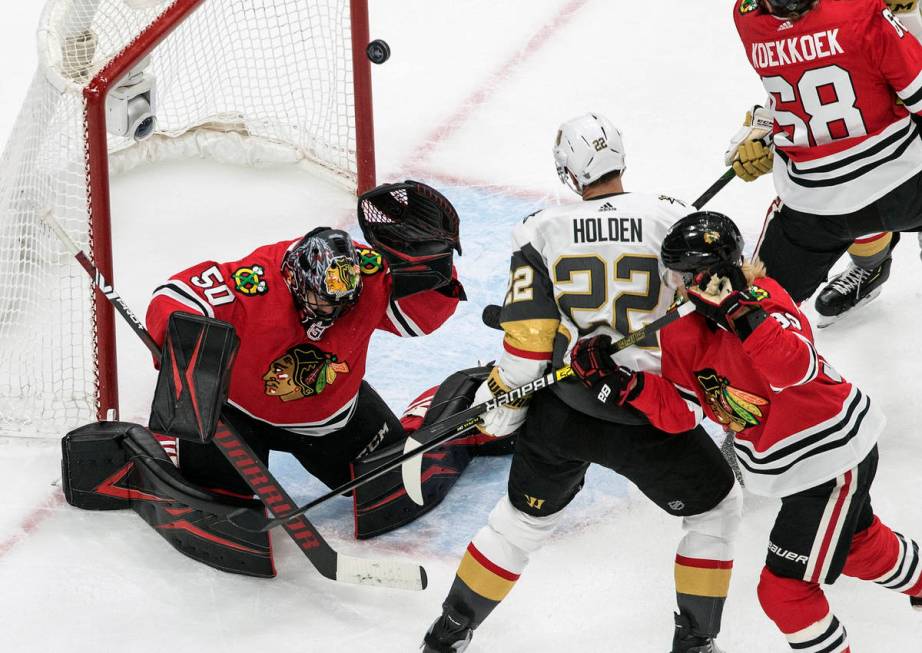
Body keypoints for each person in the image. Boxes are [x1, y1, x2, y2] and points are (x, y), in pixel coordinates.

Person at [420, 114, 742, 653]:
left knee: (518, 524)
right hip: (649, 415)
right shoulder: (672, 217)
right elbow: (715, 309)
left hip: (564, 409)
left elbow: (528, 340)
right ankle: (696, 642)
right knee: (717, 511)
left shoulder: (539, 229)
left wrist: (504, 399)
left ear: (569, 171)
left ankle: (449, 631)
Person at [570, 210, 922, 652]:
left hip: (832, 456)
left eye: (682, 275)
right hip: (798, 470)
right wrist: (621, 386)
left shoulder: (766, 296)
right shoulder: (682, 333)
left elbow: (795, 368)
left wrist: (742, 314)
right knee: (857, 545)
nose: (675, 286)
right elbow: (683, 411)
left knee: (785, 592)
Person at [144, 181, 466, 530]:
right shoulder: (256, 281)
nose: (333, 314)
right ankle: (171, 446)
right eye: (324, 303)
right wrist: (180, 340)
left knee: (396, 488)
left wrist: (435, 269)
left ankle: (428, 408)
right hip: (236, 418)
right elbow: (176, 294)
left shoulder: (369, 274)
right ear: (297, 282)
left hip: (334, 420)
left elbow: (418, 320)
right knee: (220, 508)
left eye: (343, 304)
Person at [727, 0, 922, 325]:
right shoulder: (860, 11)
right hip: (898, 180)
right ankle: (870, 266)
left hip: (815, 204)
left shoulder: (747, 15)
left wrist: (762, 133)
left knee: (753, 318)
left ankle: (867, 264)